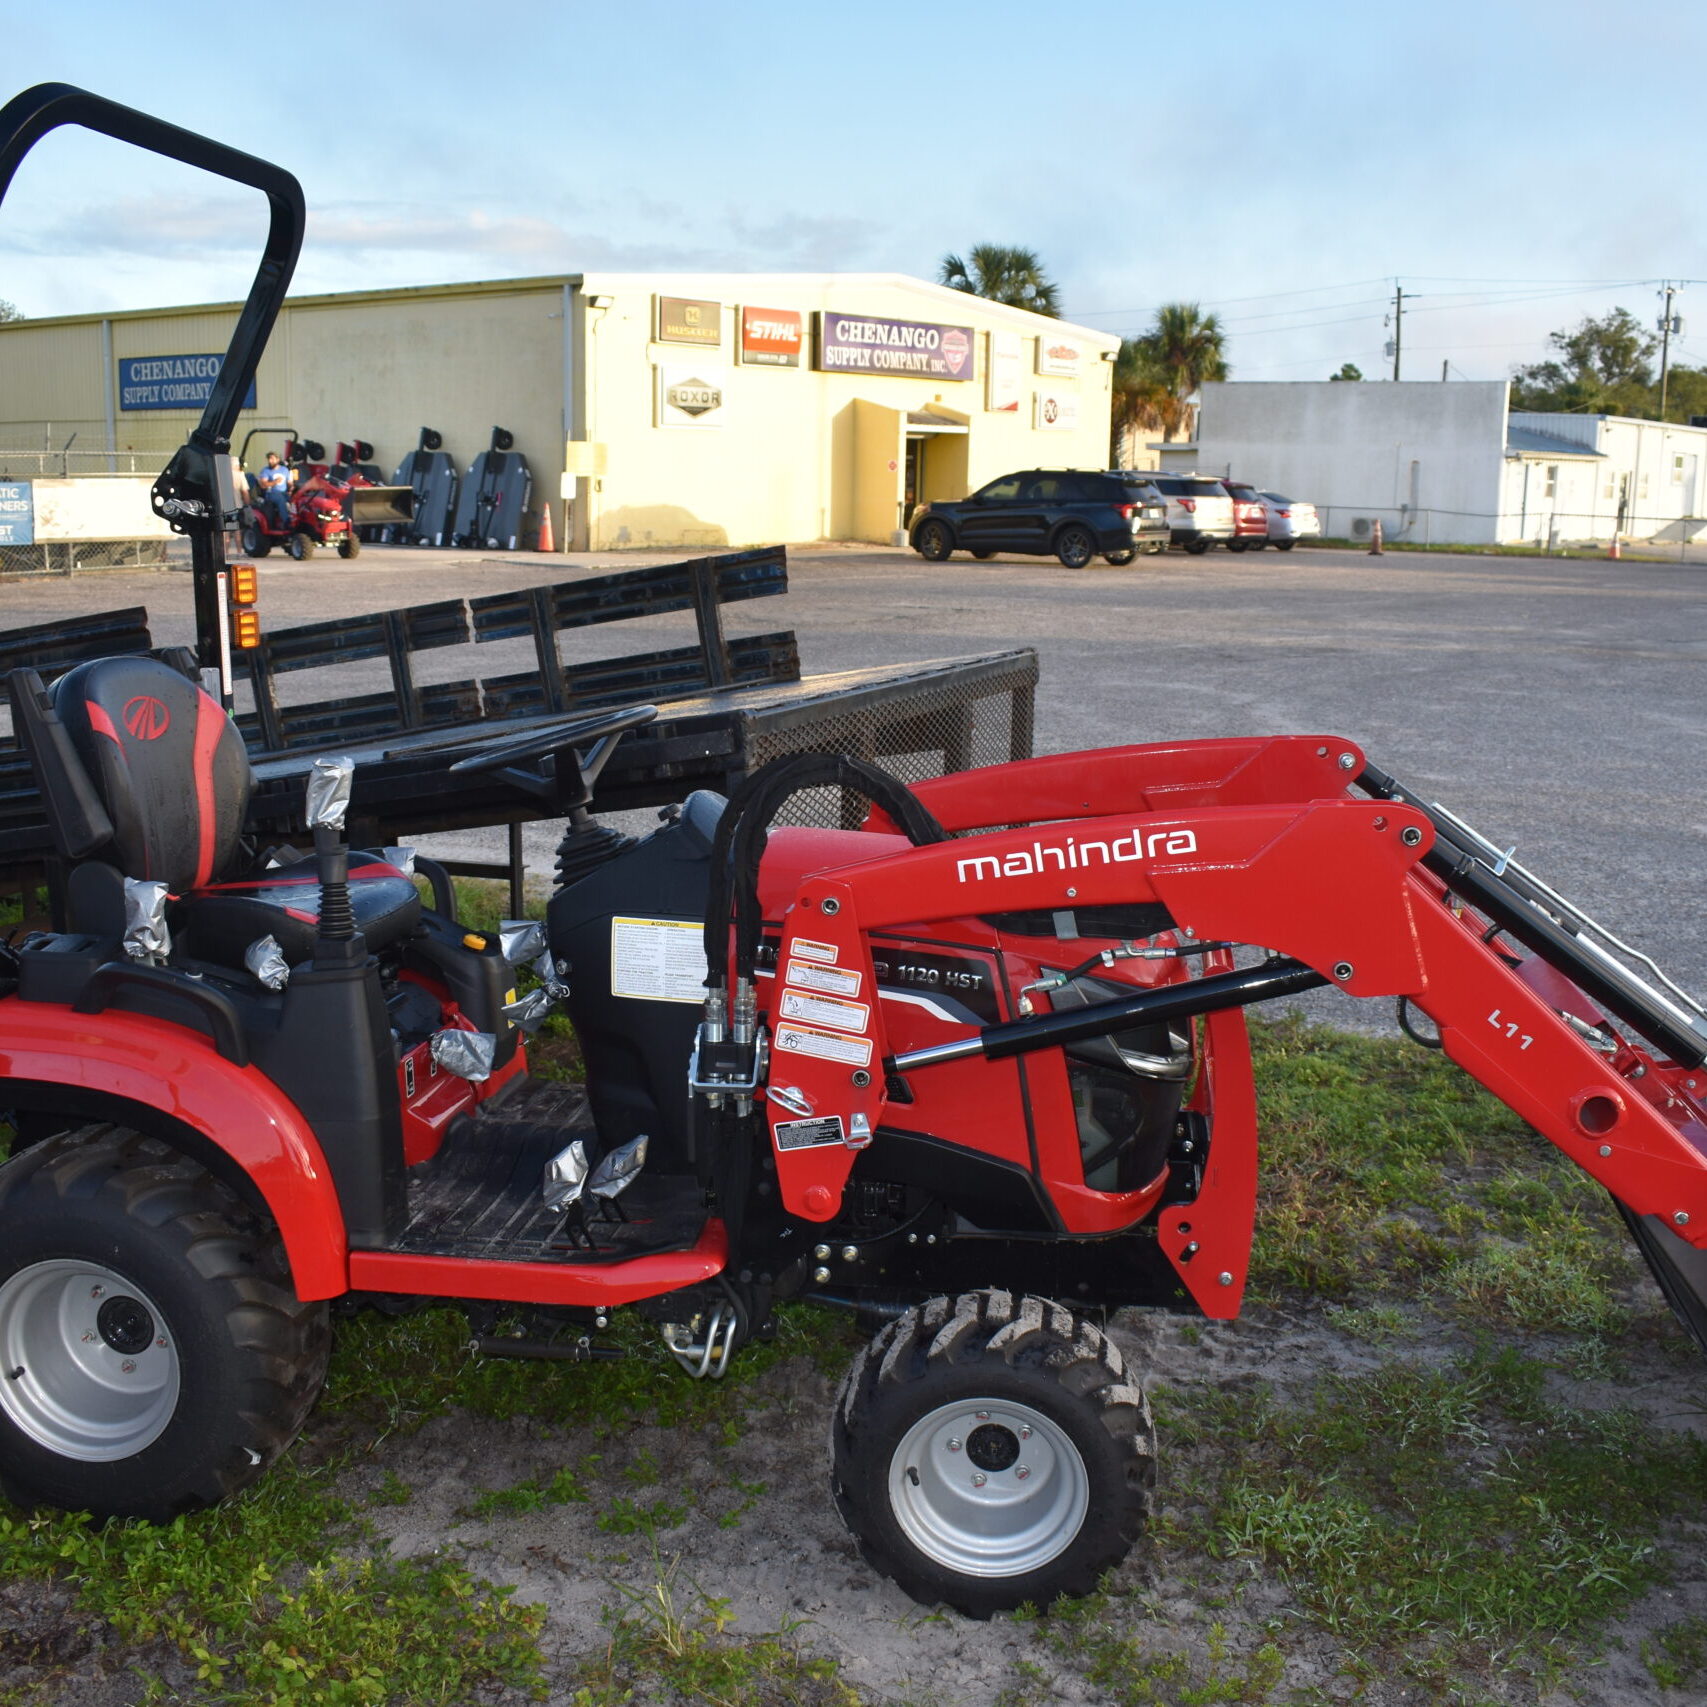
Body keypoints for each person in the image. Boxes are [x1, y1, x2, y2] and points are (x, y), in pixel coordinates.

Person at [255, 451, 293, 532]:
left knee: (297, 499)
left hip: (284, 493)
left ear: (277, 459)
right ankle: (287, 522)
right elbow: (263, 485)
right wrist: (275, 482)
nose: (270, 461)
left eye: (272, 459)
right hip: (271, 494)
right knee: (280, 499)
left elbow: (289, 483)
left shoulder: (285, 470)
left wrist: (292, 489)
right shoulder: (266, 471)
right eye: (269, 459)